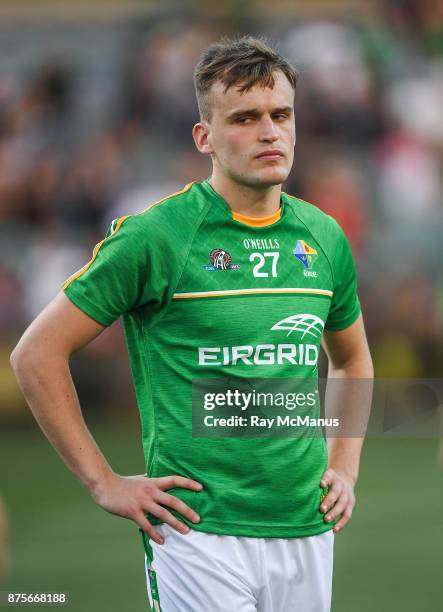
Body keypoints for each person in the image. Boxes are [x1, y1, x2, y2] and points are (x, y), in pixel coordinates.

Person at [10, 36, 373, 612]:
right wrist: (104, 482)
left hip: (306, 528)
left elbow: (353, 359)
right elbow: (36, 354)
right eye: (245, 118)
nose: (269, 132)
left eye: (281, 115)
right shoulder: (156, 237)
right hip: (197, 534)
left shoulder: (324, 236)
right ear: (204, 136)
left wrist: (344, 467)